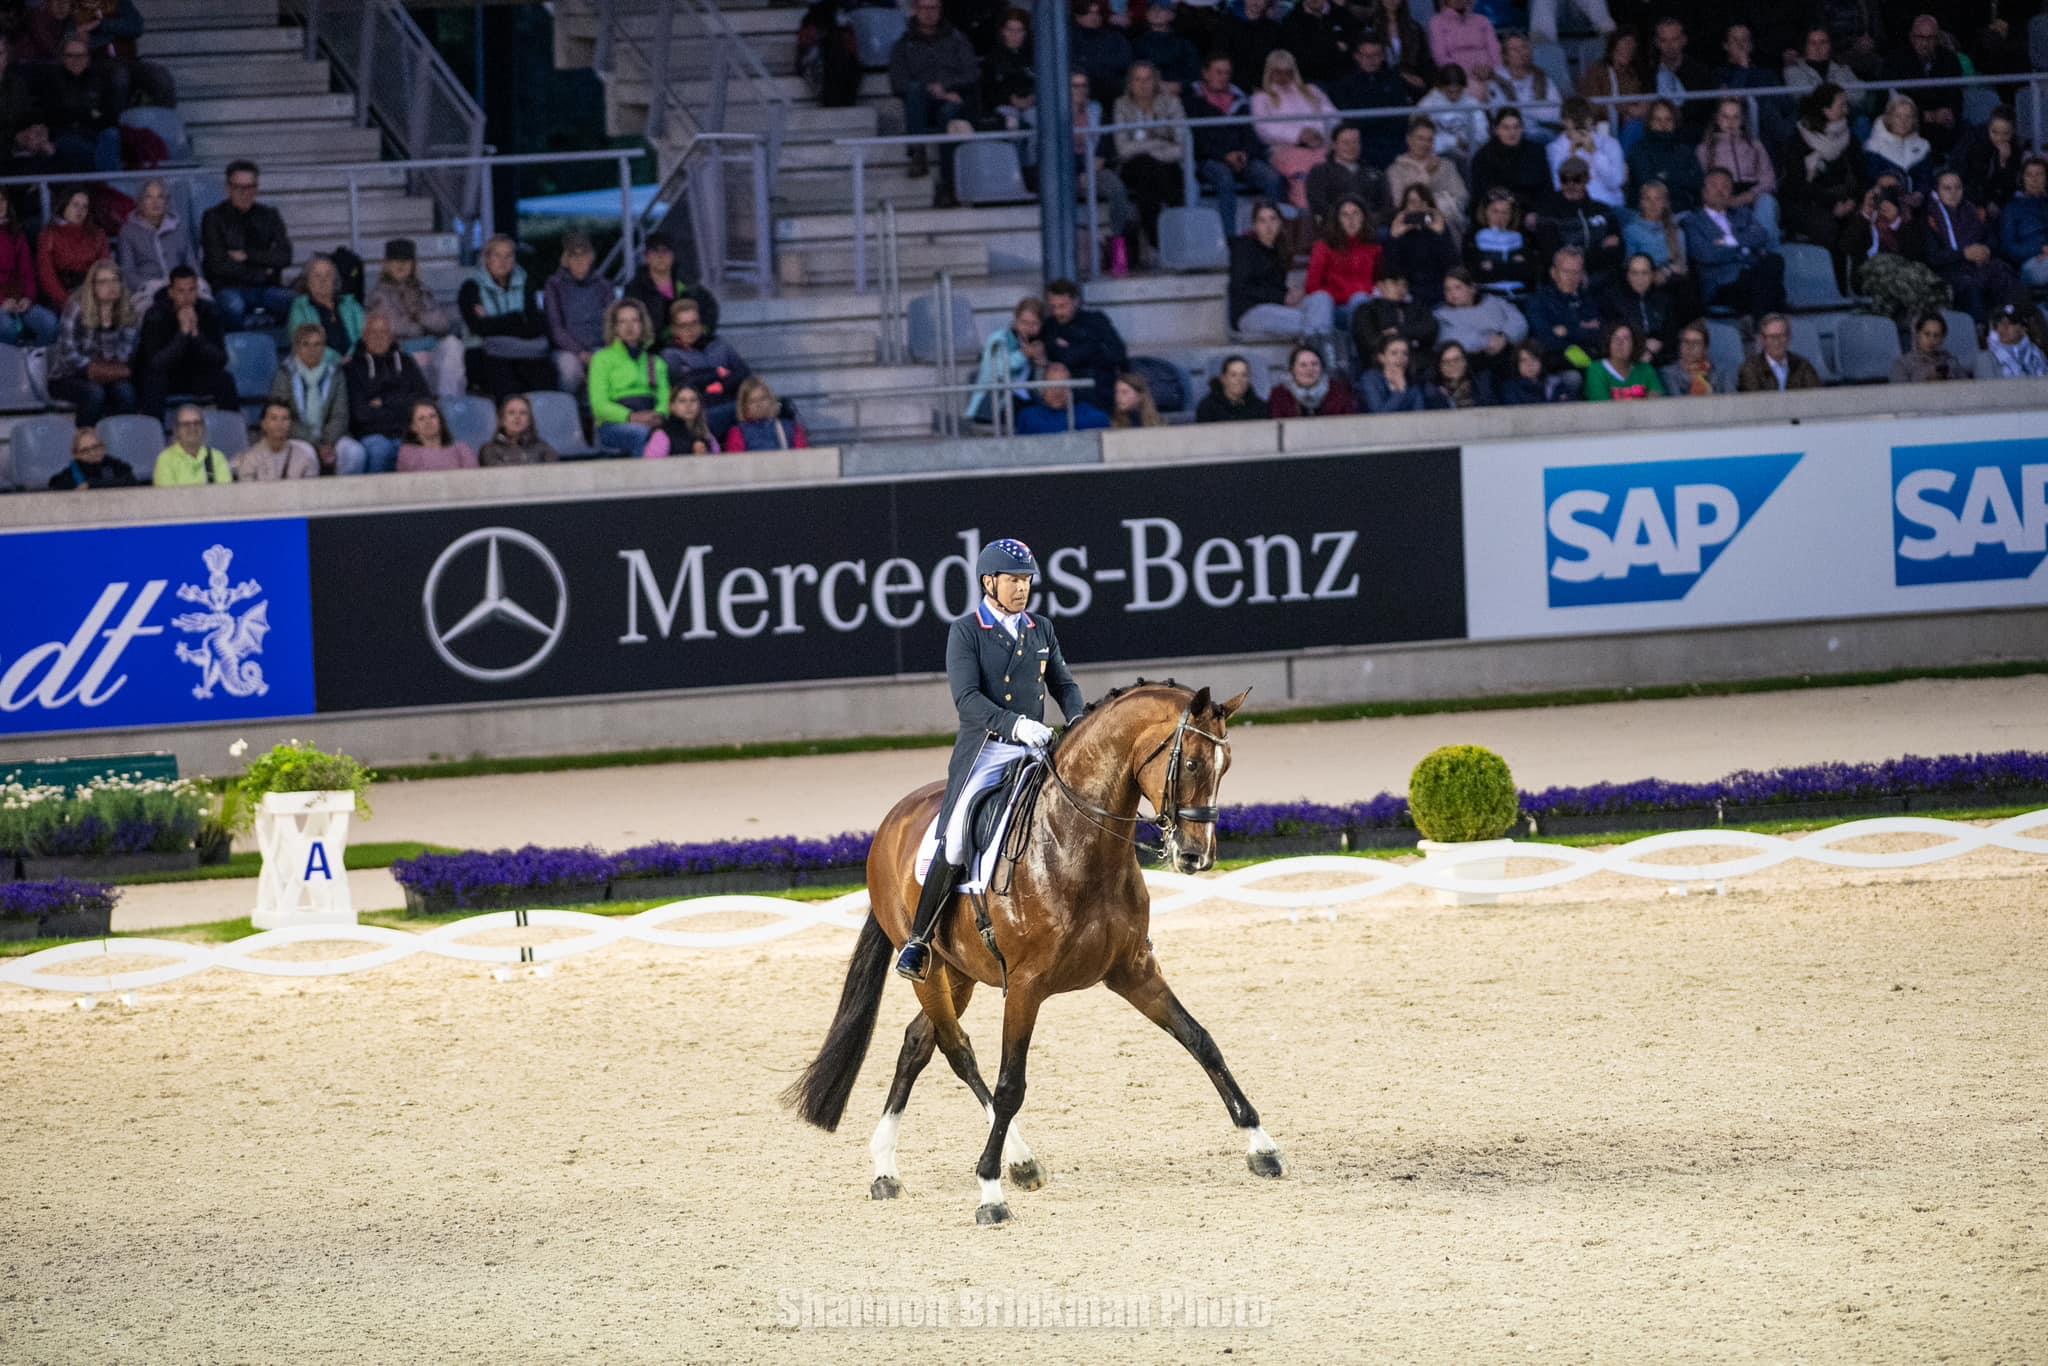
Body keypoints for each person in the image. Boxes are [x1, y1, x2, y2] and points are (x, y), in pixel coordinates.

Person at [894, 537, 1085, 982]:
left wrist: (1078, 721)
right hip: (988, 750)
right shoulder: (966, 631)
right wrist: (1016, 725)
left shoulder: (1040, 628)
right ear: (989, 583)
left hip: (1036, 748)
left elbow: (1064, 684)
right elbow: (967, 699)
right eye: (1013, 580)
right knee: (958, 836)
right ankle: (919, 939)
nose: (1022, 588)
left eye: (1027, 581)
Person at [1185, 53, 1288, 237]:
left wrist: (1245, 153)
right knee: (1225, 179)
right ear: (1205, 73)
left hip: (1242, 157)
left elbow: (1250, 134)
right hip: (1210, 158)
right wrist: (1224, 156)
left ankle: (1273, 235)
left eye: (1227, 73)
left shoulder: (1240, 100)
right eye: (1218, 72)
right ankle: (1230, 239)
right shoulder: (1192, 101)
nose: (1223, 77)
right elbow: (1197, 138)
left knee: (1272, 178)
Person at [889, 0, 979, 199]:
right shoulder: (903, 45)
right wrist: (930, 89)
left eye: (934, 7)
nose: (929, 12)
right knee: (914, 89)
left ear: (941, 9)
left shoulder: (957, 39)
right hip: (922, 103)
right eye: (925, 7)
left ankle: (948, 184)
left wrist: (946, 86)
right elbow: (898, 83)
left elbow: (972, 73)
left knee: (948, 113)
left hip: (956, 99)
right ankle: (918, 153)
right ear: (915, 9)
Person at [133, 265, 236, 421]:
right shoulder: (156, 315)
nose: (187, 296)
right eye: (181, 291)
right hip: (165, 375)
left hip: (195, 374)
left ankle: (232, 428)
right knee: (154, 381)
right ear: (171, 292)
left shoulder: (209, 311)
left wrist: (196, 335)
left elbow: (221, 359)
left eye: (191, 290)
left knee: (224, 379)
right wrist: (182, 334)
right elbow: (156, 363)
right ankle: (153, 432)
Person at [459, 233, 554, 402]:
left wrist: (495, 322)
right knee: (501, 376)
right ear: (487, 258)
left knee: (545, 373)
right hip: (485, 353)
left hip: (523, 350)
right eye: (497, 255)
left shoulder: (527, 283)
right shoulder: (470, 288)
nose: (503, 261)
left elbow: (536, 325)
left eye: (508, 255)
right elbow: (479, 328)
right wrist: (517, 319)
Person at [201, 160, 295, 331]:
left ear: (256, 188)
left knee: (298, 302)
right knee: (233, 306)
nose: (245, 193)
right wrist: (262, 271)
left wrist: (248, 255)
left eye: (250, 187)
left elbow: (285, 256)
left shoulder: (269, 215)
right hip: (229, 287)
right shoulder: (213, 218)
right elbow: (217, 264)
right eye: (238, 187)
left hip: (266, 288)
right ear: (228, 188)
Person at [365, 238, 465, 399]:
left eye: (406, 260)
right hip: (399, 351)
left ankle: (448, 403)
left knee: (453, 345)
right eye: (396, 260)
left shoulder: (422, 291)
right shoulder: (378, 295)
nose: (401, 265)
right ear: (387, 264)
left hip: (428, 347)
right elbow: (391, 328)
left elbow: (443, 324)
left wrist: (418, 314)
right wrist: (419, 324)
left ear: (413, 264)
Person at [1684, 169, 1787, 320]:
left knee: (1774, 261)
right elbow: (1706, 254)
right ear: (1704, 192)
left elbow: (1761, 236)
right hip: (1722, 283)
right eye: (1714, 185)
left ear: (1731, 192)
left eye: (1725, 186)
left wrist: (1729, 241)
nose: (1720, 191)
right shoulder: (1693, 221)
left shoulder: (1742, 214)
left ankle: (1761, 322)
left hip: (1753, 275)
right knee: (1768, 285)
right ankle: (1768, 320)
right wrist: (1744, 245)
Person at [1923, 171, 2022, 327]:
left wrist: (1986, 249)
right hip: (1951, 270)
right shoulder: (1930, 218)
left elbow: (1993, 240)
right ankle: (1981, 330)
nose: (1953, 193)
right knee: (1969, 284)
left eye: (1958, 187)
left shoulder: (1974, 210)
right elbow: (1933, 256)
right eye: (1947, 188)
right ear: (1937, 191)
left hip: (1980, 264)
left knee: (2003, 271)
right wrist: (1964, 254)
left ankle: (2016, 322)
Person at [1779, 83, 1862, 268]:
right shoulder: (1798, 141)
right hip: (1806, 202)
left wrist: (1853, 201)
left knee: (1861, 222)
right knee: (1827, 226)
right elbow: (1795, 185)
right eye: (1842, 105)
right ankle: (1831, 281)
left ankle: (1857, 280)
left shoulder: (1851, 139)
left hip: (1844, 199)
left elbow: (1861, 175)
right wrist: (1832, 206)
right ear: (1826, 110)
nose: (1847, 110)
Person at [1111, 62, 1187, 264]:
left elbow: (1182, 146)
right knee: (1147, 167)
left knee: (1156, 177)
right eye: (1138, 79)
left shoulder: (1171, 103)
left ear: (1155, 81)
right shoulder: (1121, 105)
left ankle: (1159, 244)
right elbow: (1123, 149)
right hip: (1133, 166)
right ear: (1130, 83)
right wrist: (1159, 142)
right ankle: (1167, 243)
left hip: (1166, 165)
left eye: (1147, 79)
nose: (1143, 84)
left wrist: (1146, 147)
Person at [47, 258, 137, 424]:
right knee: (94, 393)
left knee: (126, 393)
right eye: (103, 282)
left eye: (115, 280)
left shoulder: (127, 308)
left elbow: (125, 353)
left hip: (109, 372)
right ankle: (85, 437)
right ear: (92, 286)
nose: (111, 286)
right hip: (68, 375)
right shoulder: (76, 307)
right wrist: (93, 369)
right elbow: (68, 354)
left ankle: (119, 437)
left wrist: (107, 327)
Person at [341, 312, 431, 474]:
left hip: (407, 432)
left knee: (418, 451)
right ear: (364, 336)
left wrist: (384, 402)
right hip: (372, 434)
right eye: (373, 332)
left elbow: (424, 401)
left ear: (391, 337)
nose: (379, 337)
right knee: (380, 450)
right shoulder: (352, 368)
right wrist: (402, 405)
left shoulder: (406, 362)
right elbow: (361, 413)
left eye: (383, 332)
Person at [1229, 200, 1331, 341]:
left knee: (1322, 298)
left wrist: (1291, 294)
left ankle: (1313, 346)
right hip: (1251, 311)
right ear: (1255, 225)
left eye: (1273, 219)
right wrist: (1282, 297)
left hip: (1277, 308)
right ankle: (1319, 349)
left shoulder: (1280, 249)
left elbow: (1275, 286)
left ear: (1280, 223)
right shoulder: (1243, 247)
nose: (1268, 226)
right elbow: (1242, 288)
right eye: (1262, 221)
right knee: (1309, 321)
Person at [1250, 49, 1336, 213]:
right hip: (1284, 149)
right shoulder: (1261, 98)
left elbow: (1332, 117)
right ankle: (1305, 218)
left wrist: (1319, 133)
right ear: (1270, 72)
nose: (1283, 77)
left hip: (1320, 145)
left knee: (1333, 170)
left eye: (1287, 72)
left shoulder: (1312, 91)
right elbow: (1263, 129)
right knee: (1303, 176)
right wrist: (1299, 135)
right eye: (1278, 72)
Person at [268, 323, 356, 475]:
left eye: (317, 344)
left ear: (324, 347)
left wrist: (328, 442)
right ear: (296, 348)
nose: (312, 350)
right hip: (297, 437)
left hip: (330, 437)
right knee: (307, 455)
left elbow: (340, 414)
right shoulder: (285, 374)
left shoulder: (335, 373)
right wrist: (316, 444)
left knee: (354, 453)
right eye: (306, 344)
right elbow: (283, 418)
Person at [587, 299, 668, 458]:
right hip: (614, 424)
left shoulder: (655, 362)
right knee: (642, 433)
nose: (629, 326)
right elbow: (599, 405)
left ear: (643, 325)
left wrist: (659, 415)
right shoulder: (601, 359)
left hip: (651, 417)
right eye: (622, 322)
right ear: (615, 327)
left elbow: (664, 396)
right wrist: (630, 417)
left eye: (634, 320)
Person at [1698, 98, 1780, 247]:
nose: (1730, 122)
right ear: (1718, 119)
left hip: (1752, 195)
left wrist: (1749, 195)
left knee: (1767, 202)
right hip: (1724, 197)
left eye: (1736, 117)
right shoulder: (1705, 149)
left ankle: (1767, 250)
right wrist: (1723, 199)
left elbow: (1769, 179)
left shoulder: (1754, 145)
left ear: (1742, 120)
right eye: (1725, 117)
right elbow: (1702, 182)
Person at [1878, 14, 1962, 158]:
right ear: (1911, 37)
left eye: (1930, 38)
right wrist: (1927, 115)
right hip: (1909, 122)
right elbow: (1890, 100)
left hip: (1942, 125)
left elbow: (1955, 95)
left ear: (1937, 39)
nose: (1925, 43)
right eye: (1920, 37)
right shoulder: (1895, 61)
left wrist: (1950, 113)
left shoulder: (1949, 60)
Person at [115, 178, 202, 315]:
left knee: (204, 308)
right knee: (158, 313)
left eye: (160, 197)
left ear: (167, 202)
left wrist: (192, 284)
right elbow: (128, 273)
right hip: (147, 291)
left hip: (184, 286)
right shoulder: (128, 232)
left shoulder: (180, 228)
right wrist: (154, 286)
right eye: (149, 197)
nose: (155, 202)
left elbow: (192, 264)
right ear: (140, 202)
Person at [1325, 33, 1412, 172]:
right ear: (1357, 56)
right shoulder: (1345, 85)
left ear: (1383, 56)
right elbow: (1351, 120)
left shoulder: (1395, 80)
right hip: (1364, 143)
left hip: (1394, 140)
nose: (1371, 60)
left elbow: (1402, 115)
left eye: (1376, 55)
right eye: (1366, 55)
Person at [661, 297, 751, 429]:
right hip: (700, 411)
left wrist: (722, 386)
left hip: (730, 400)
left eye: (694, 323)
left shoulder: (719, 344)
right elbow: (685, 383)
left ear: (701, 324)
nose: (690, 329)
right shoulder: (670, 354)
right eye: (683, 325)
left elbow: (744, 373)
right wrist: (717, 373)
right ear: (675, 329)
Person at [1534, 154, 1624, 283]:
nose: (1570, 184)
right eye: (1565, 179)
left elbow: (1618, 252)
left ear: (1587, 179)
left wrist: (1579, 257)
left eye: (1576, 179)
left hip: (1603, 278)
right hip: (1565, 280)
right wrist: (1600, 249)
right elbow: (1552, 255)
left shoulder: (1603, 210)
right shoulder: (1548, 213)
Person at [542, 231, 611, 395]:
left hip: (600, 347)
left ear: (591, 258)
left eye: (584, 256)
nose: (579, 262)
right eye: (574, 257)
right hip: (566, 350)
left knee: (607, 362)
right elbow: (556, 328)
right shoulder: (554, 285)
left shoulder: (604, 285)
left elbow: (613, 323)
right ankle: (567, 407)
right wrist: (581, 353)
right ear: (566, 259)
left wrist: (604, 350)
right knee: (570, 368)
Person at [1041, 279, 1127, 409]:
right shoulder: (1049, 326)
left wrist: (1073, 350)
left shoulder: (1096, 320)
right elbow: (1061, 357)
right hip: (1066, 397)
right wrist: (1094, 347)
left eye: (1063, 306)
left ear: (1075, 301)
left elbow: (1118, 353)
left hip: (1100, 390)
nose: (1058, 312)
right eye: (1053, 307)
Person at [38, 37, 119, 172]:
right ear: (63, 58)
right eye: (70, 56)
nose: (76, 60)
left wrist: (82, 113)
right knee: (74, 145)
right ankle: (105, 180)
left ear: (88, 58)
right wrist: (89, 112)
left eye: (80, 55)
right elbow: (53, 115)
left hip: (96, 133)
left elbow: (109, 116)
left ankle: (105, 178)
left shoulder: (101, 80)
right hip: (66, 135)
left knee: (112, 135)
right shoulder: (51, 81)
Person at [1305, 197, 1379, 332]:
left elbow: (1380, 283)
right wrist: (1347, 292)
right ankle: (1321, 343)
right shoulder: (1323, 246)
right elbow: (1312, 286)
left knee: (1360, 300)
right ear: (1337, 220)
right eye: (1345, 215)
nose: (1351, 219)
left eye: (1355, 213)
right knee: (1321, 298)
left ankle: (1358, 346)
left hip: (1360, 307)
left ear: (1363, 217)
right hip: (1331, 309)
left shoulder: (1374, 248)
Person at [1524, 245, 1603, 372]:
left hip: (1591, 360)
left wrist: (1567, 330)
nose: (1571, 277)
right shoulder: (1539, 300)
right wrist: (1581, 328)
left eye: (1576, 272)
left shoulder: (1589, 298)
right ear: (1553, 273)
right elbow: (1546, 340)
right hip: (1558, 366)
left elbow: (1599, 334)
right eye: (1566, 271)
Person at [969, 296, 1043, 425]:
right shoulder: (998, 339)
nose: (1028, 328)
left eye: (1034, 323)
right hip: (993, 404)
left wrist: (1042, 364)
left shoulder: (1038, 342)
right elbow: (997, 370)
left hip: (1024, 400)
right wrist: (1023, 355)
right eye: (1024, 322)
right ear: (1015, 320)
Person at [1434, 266, 1526, 368]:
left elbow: (1519, 321)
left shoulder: (1494, 301)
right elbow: (1450, 339)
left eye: (1457, 287)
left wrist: (1504, 337)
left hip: (1508, 351)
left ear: (1472, 288)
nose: (1452, 293)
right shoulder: (1440, 314)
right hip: (1473, 362)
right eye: (1447, 289)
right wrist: (1487, 342)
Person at [1384, 184, 1459, 308]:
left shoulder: (1439, 229)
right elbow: (1390, 270)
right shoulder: (1398, 231)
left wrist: (1441, 235)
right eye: (1412, 202)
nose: (1417, 206)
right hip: (1409, 294)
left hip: (1438, 292)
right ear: (1405, 206)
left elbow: (1454, 266)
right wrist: (1394, 238)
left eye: (1422, 202)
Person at [1348, 266, 1438, 367]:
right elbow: (1368, 341)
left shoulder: (1417, 308)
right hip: (1379, 366)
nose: (1400, 288)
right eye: (1395, 283)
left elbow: (1431, 328)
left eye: (1404, 285)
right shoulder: (1367, 310)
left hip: (1417, 365)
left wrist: (1398, 331)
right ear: (1380, 285)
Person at [1388, 117, 1469, 227]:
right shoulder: (1395, 170)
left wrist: (1437, 207)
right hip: (1412, 226)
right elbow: (1399, 203)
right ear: (1408, 139)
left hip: (1447, 223)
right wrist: (1427, 174)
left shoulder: (1446, 165)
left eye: (1429, 140)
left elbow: (1461, 197)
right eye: (1420, 138)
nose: (1425, 144)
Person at [1304, 124, 1388, 231]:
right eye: (1345, 143)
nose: (1351, 147)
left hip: (1371, 228)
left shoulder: (1375, 173)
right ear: (1333, 145)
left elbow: (1386, 206)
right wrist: (1346, 221)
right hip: (1334, 229)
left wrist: (1365, 221)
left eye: (1355, 142)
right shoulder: (1319, 172)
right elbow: (1318, 206)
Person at [1547, 96, 1626, 209]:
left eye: (1582, 119)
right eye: (1574, 120)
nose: (1579, 125)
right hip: (1574, 209)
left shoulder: (1610, 144)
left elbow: (1615, 182)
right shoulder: (1555, 149)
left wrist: (1595, 152)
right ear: (1564, 122)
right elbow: (1559, 187)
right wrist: (1571, 156)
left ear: (1590, 120)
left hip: (1610, 207)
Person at [1469, 108, 1550, 216]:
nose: (1512, 132)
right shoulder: (1483, 157)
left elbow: (1545, 187)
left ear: (1522, 129)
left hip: (1533, 212)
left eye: (1516, 127)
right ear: (1496, 130)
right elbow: (1482, 193)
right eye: (1506, 128)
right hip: (1497, 213)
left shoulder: (1536, 152)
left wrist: (1535, 212)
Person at [37, 186, 106, 312]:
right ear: (64, 205)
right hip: (64, 293)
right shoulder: (49, 235)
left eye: (85, 207)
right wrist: (66, 301)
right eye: (75, 205)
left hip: (95, 289)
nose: (80, 210)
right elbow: (47, 276)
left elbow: (106, 267)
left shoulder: (97, 234)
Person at [0, 192, 54, 347]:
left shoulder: (16, 233)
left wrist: (28, 298)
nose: (0, 205)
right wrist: (2, 302)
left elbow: (28, 272)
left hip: (19, 298)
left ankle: (34, 359)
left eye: (2, 200)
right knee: (8, 328)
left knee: (50, 324)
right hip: (2, 302)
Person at [1600, 252, 1677, 362]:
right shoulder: (1613, 300)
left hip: (1662, 357)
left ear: (1652, 275)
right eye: (1634, 273)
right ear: (1627, 276)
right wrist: (1642, 348)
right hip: (1628, 359)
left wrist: (1659, 346)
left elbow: (1672, 335)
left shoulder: (1663, 299)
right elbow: (1610, 337)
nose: (1639, 278)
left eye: (1644, 273)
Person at [1627, 100, 1701, 212]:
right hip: (1648, 213)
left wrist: (1665, 175)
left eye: (1668, 119)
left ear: (1675, 122)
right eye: (1658, 120)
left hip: (1683, 211)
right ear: (1650, 122)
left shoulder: (1684, 150)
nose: (1663, 124)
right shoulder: (1639, 150)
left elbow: (1697, 181)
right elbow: (1646, 182)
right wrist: (1678, 177)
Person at [286, 255, 364, 361]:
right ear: (308, 281)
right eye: (317, 276)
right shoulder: (300, 307)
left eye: (328, 275)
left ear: (335, 281)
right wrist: (338, 360)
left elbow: (365, 334)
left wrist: (353, 356)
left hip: (355, 363)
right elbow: (303, 343)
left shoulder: (350, 304)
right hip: (319, 366)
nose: (323, 280)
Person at [1489, 35, 1561, 140]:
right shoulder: (1495, 79)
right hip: (1510, 136)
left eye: (1524, 47)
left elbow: (1555, 114)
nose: (1521, 52)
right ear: (1505, 56)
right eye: (1514, 49)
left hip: (1542, 134)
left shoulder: (1542, 77)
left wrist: (1519, 107)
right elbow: (1499, 114)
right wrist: (1537, 109)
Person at [1575, 29, 1647, 133]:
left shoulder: (1634, 74)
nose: (1627, 50)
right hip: (1601, 126)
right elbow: (1592, 104)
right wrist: (1624, 109)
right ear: (1613, 48)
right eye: (1623, 47)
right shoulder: (1597, 71)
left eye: (1630, 48)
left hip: (1629, 124)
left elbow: (1640, 100)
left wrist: (1637, 110)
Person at [1863, 96, 1933, 201]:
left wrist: (1919, 194)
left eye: (1908, 116)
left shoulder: (1923, 146)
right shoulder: (1873, 147)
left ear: (1914, 120)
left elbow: (1926, 178)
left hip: (1917, 204)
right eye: (1898, 116)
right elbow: (1871, 178)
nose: (1903, 121)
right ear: (1889, 118)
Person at [1466, 189, 1536, 294]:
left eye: (1505, 212)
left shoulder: (1521, 238)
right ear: (1485, 212)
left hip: (1520, 294)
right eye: (1495, 211)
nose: (1500, 217)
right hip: (1488, 295)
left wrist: (1495, 266)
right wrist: (1512, 265)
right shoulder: (1472, 238)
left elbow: (1528, 273)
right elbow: (1478, 275)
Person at [1415, 62, 1487, 162]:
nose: (1454, 96)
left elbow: (1482, 134)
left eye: (1458, 91)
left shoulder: (1472, 103)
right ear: (1441, 87)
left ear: (1464, 87)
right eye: (1450, 92)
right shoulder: (1428, 104)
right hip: (1437, 155)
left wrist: (1466, 141)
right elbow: (1419, 136)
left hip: (1467, 152)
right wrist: (1454, 141)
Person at [1069, 0, 1133, 110]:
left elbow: (1125, 61)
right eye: (1089, 13)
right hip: (1085, 90)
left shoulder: (1115, 37)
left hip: (1113, 90)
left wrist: (1092, 62)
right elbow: (1074, 65)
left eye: (1097, 13)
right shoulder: (1069, 40)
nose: (1094, 17)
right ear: (1078, 16)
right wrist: (1103, 64)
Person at [233, 400, 319, 481]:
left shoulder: (305, 455)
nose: (279, 423)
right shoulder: (250, 458)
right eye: (274, 418)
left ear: (291, 424)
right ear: (263, 424)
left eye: (285, 418)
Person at [1276, 0, 1355, 87]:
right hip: (1310, 79)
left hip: (1345, 75)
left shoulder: (1341, 13)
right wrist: (1334, 46)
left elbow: (1356, 41)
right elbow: (1299, 55)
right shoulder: (1291, 20)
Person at [1017, 359, 1110, 432]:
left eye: (1063, 386)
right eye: (1052, 386)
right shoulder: (1029, 416)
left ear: (1071, 389)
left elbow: (1103, 422)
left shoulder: (1087, 412)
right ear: (1043, 390)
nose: (1058, 392)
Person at [1737, 313, 1823, 391]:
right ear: (1763, 340)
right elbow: (1754, 398)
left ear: (1789, 338)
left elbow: (1816, 394)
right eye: (1772, 337)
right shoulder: (1750, 369)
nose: (1777, 342)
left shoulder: (1802, 366)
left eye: (1781, 336)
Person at [1267, 342, 1355, 418]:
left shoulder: (1339, 392)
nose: (1309, 369)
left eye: (1314, 364)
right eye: (1303, 365)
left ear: (1322, 368)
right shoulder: (1279, 396)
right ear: (1292, 370)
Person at [151, 405, 234, 486]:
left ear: (204, 427)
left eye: (197, 423)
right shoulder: (165, 459)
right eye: (186, 424)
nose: (192, 428)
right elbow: (166, 494)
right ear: (176, 430)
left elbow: (226, 492)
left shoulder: (217, 457)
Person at [1998, 156, 2048, 289]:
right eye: (2029, 175)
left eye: (2039, 174)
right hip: (2030, 264)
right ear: (2023, 179)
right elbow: (2009, 249)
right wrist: (2040, 249)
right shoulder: (2012, 208)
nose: (2034, 180)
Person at [1582, 320, 1662, 400]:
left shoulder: (1646, 370)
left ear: (1634, 344)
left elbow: (1656, 400)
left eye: (1626, 339)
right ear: (1608, 342)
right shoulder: (1596, 370)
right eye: (1615, 338)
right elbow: (1601, 404)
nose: (1619, 343)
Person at [724, 376, 809, 451]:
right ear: (744, 406)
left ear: (771, 400)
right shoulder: (738, 433)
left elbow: (803, 458)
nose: (758, 405)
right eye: (752, 401)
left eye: (762, 399)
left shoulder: (792, 429)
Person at [1427, 0, 1501, 86]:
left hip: (1489, 73)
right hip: (1459, 77)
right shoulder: (1436, 22)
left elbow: (1495, 51)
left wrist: (1489, 69)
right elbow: (1440, 57)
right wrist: (1468, 71)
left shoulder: (1482, 21)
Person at [1132, 0, 1198, 94]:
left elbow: (1194, 74)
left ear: (1172, 15)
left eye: (1162, 9)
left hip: (1177, 94)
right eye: (1152, 9)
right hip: (1145, 93)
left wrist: (1180, 86)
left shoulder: (1183, 44)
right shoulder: (1137, 43)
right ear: (1147, 15)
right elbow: (1130, 72)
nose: (1156, 12)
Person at [477, 393, 561, 466]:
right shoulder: (489, 450)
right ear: (502, 420)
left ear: (529, 420)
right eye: (511, 412)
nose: (517, 417)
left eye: (523, 413)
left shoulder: (543, 449)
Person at [397, 399, 480, 472]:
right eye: (421, 418)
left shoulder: (462, 450)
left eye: (432, 416)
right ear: (413, 427)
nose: (428, 421)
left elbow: (473, 479)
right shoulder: (407, 453)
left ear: (440, 421)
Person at [46, 424, 137, 490]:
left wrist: (91, 485)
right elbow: (55, 486)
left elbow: (131, 481)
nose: (92, 453)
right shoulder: (71, 473)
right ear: (76, 454)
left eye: (95, 447)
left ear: (103, 447)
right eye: (85, 450)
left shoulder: (115, 465)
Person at [1220, 0, 1281, 95]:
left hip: (1263, 89)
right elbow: (1221, 58)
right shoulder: (1227, 24)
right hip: (1231, 88)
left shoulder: (1274, 30)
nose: (1256, 2)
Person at [1890, 310, 1968, 384]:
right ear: (1918, 334)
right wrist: (1926, 379)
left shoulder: (1951, 362)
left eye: (1936, 335)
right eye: (1927, 334)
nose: (1931, 339)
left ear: (1942, 339)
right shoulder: (1902, 364)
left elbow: (1966, 388)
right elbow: (1899, 392)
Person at [1976, 302, 2048, 380]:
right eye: (1999, 323)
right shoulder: (1986, 359)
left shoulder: (2037, 354)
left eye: (2009, 324)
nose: (2003, 328)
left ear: (2023, 328)